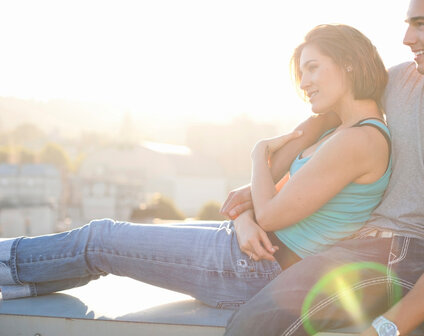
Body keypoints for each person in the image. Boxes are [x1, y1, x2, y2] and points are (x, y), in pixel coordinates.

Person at [0, 24, 392, 307]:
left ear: (350, 64)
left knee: (99, 239)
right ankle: (18, 284)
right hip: (244, 248)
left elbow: (269, 210)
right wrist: (244, 219)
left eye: (313, 67)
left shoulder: (360, 140)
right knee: (101, 244)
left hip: (254, 269)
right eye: (302, 71)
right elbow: (244, 199)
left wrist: (257, 152)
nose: (304, 82)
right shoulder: (334, 129)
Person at [222, 0, 424, 335]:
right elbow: (326, 117)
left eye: (421, 24)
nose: (407, 38)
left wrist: (384, 329)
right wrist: (259, 190)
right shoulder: (397, 82)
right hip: (366, 250)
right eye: (408, 24)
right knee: (254, 325)